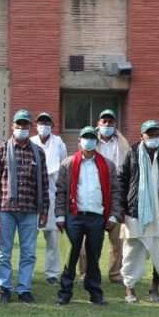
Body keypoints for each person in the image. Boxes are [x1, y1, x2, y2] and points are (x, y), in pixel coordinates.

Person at [0, 109, 50, 304]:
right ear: (12, 126)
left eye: (25, 125)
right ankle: (5, 288)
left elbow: (44, 182)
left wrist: (44, 210)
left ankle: (24, 289)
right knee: (3, 251)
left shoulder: (38, 152)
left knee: (29, 252)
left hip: (30, 209)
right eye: (19, 124)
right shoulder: (1, 150)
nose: (22, 128)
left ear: (30, 127)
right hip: (5, 209)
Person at [116, 121, 159, 304]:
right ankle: (130, 290)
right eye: (149, 134)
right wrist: (121, 206)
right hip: (135, 212)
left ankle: (154, 289)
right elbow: (122, 180)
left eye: (156, 134)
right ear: (142, 135)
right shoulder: (133, 153)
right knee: (132, 252)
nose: (153, 137)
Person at [53, 127, 118, 306]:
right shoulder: (68, 163)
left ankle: (95, 293)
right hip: (74, 216)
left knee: (93, 257)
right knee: (70, 256)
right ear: (80, 140)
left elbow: (115, 193)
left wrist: (113, 215)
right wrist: (59, 215)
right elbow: (61, 191)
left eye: (91, 137)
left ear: (96, 141)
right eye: (85, 137)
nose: (88, 140)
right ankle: (65, 293)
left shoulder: (108, 165)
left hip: (97, 217)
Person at [90, 108, 131, 284]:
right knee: (90, 238)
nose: (107, 124)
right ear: (98, 124)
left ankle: (115, 274)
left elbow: (128, 171)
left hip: (115, 194)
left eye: (110, 122)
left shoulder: (122, 144)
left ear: (115, 124)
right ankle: (87, 273)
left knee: (117, 240)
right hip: (93, 195)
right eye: (104, 121)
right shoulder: (90, 142)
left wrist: (123, 201)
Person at [31, 112, 67, 286]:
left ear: (52, 125)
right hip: (32, 194)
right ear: (36, 125)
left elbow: (63, 169)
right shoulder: (31, 142)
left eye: (47, 122)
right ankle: (27, 271)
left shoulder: (59, 143)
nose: (44, 125)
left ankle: (52, 273)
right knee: (29, 236)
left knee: (53, 236)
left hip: (52, 193)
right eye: (40, 122)